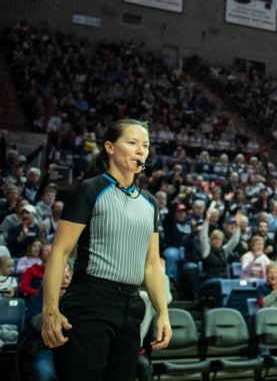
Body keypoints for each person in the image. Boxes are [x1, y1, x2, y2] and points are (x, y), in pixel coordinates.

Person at [41, 119, 172, 379]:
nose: (140, 150)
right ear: (110, 147)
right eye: (132, 142)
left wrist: (163, 314)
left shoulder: (149, 202)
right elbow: (60, 252)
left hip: (131, 307)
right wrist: (51, 310)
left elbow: (151, 264)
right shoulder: (89, 190)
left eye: (145, 145)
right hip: (90, 300)